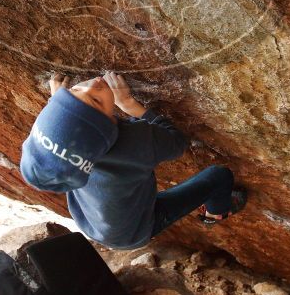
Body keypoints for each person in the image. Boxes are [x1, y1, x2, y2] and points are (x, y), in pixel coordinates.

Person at [20, 71, 247, 250]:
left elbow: (55, 146)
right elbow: (177, 141)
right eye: (97, 100)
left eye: (75, 90)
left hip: (91, 221)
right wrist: (128, 104)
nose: (95, 83)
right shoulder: (135, 143)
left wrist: (57, 104)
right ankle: (215, 213)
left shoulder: (67, 158)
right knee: (220, 176)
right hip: (134, 231)